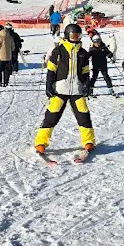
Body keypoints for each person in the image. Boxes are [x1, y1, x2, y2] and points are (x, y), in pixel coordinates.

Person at [35, 23, 95, 154]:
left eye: (78, 35)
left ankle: (89, 141)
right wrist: (49, 85)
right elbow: (51, 70)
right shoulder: (58, 51)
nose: (76, 38)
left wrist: (87, 85)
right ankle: (41, 142)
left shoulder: (83, 53)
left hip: (77, 90)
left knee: (84, 115)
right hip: (60, 89)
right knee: (52, 116)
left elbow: (85, 72)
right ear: (67, 35)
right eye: (74, 35)